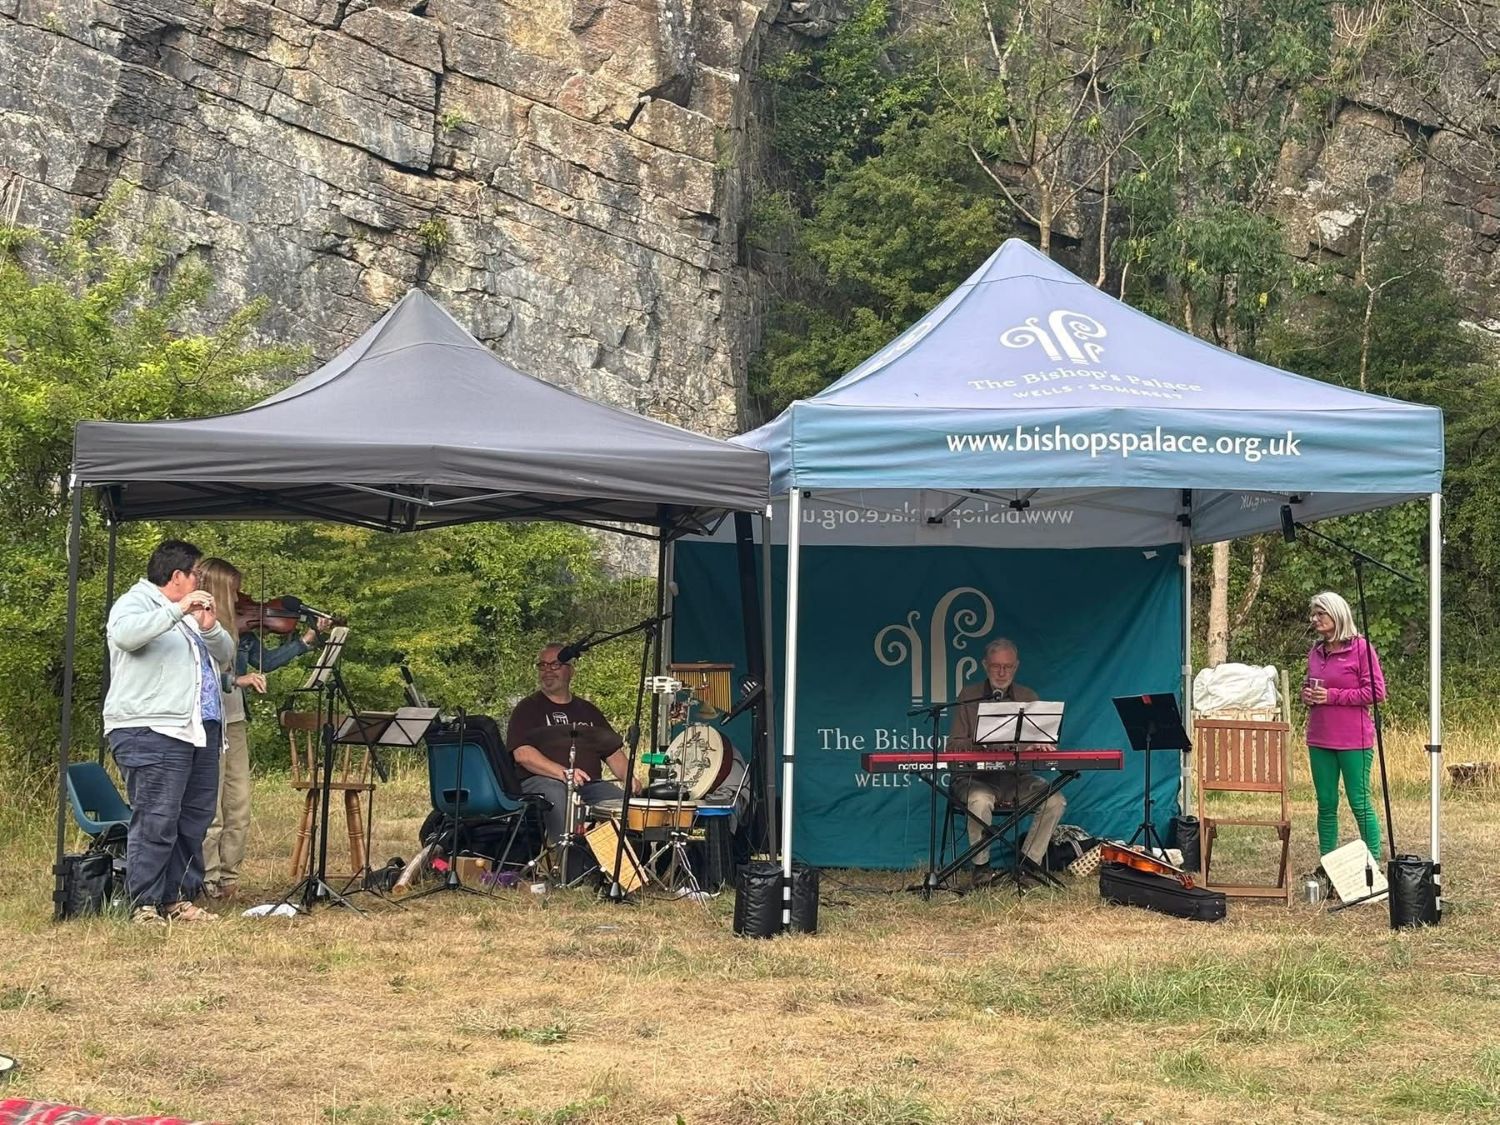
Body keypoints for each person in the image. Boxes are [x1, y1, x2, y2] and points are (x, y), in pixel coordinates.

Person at [103, 539, 235, 925]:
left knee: (194, 818)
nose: (201, 582)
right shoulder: (136, 602)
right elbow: (126, 636)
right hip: (152, 728)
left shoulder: (191, 613)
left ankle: (177, 898)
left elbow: (225, 654)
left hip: (198, 729)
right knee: (157, 818)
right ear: (177, 576)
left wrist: (210, 628)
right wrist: (179, 610)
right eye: (196, 574)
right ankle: (144, 904)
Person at [194, 559, 329, 901]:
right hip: (205, 721)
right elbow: (196, 675)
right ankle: (207, 880)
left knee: (238, 803)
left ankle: (229, 879)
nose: (240, 598)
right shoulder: (194, 627)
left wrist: (307, 640)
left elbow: (265, 662)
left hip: (235, 719)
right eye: (234, 590)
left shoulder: (243, 631)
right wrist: (236, 679)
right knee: (212, 808)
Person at [947, 638, 1066, 889]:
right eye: (996, 666)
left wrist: (1041, 746)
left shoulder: (1028, 697)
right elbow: (954, 746)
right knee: (979, 801)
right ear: (985, 665)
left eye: (1008, 667)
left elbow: (1038, 745)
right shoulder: (969, 696)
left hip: (1015, 778)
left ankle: (1028, 866)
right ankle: (981, 868)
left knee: (1054, 801)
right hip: (975, 778)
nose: (1002, 672)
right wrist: (984, 742)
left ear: (1016, 666)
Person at [506, 644, 636, 843]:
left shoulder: (588, 710)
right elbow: (522, 754)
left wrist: (629, 778)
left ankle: (613, 859)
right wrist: (564, 773)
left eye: (555, 665)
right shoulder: (528, 708)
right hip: (542, 781)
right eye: (542, 665)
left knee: (625, 805)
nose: (548, 670)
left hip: (588, 785)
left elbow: (612, 752)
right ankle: (566, 858)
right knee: (557, 793)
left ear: (571, 671)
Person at [1303, 591, 1386, 858]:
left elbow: (1376, 693)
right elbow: (1309, 684)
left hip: (1353, 739)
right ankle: (1327, 861)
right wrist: (1307, 695)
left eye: (1321, 614)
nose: (1315, 619)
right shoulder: (1316, 652)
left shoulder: (1361, 649)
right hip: (1320, 737)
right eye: (1313, 614)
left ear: (1337, 615)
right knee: (1326, 803)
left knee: (1359, 802)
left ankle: (1372, 861)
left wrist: (1332, 696)